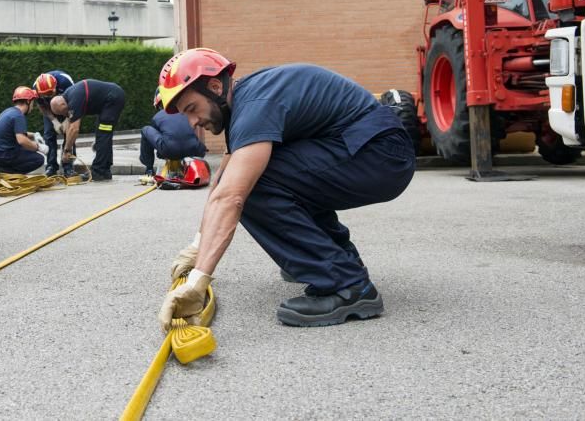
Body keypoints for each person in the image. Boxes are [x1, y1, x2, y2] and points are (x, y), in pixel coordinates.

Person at [156, 48, 415, 328]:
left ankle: (347, 287)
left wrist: (197, 283)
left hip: (381, 154)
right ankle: (336, 261)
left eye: (192, 109)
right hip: (370, 149)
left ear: (215, 86)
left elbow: (231, 196)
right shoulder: (245, 102)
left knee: (253, 184)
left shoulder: (255, 105)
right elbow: (222, 182)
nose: (193, 123)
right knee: (254, 174)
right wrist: (197, 247)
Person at [48, 79, 125, 182]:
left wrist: (67, 150)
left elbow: (74, 129)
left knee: (103, 133)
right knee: (103, 134)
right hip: (111, 98)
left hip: (113, 99)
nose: (65, 115)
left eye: (62, 113)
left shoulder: (74, 100)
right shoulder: (69, 96)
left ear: (62, 105)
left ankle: (98, 171)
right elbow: (70, 125)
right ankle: (105, 170)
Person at [140, 88, 207, 183]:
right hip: (196, 151)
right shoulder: (186, 112)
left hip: (170, 150)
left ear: (159, 103)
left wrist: (161, 153)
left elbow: (155, 141)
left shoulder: (157, 116)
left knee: (145, 130)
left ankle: (149, 169)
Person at [0, 87, 48, 174]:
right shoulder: (18, 116)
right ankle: (8, 173)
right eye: (32, 103)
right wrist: (39, 147)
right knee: (38, 159)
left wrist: (34, 135)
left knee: (25, 149)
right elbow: (22, 140)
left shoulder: (9, 111)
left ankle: (4, 170)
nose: (32, 107)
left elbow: (16, 132)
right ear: (28, 101)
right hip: (4, 155)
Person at [32, 70, 76, 176]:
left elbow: (75, 103)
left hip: (67, 107)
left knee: (69, 134)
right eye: (45, 95)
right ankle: (51, 165)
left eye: (50, 94)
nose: (48, 97)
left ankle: (68, 166)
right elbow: (42, 106)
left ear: (56, 86)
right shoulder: (35, 88)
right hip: (49, 111)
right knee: (49, 135)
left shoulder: (66, 82)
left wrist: (67, 120)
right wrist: (54, 121)